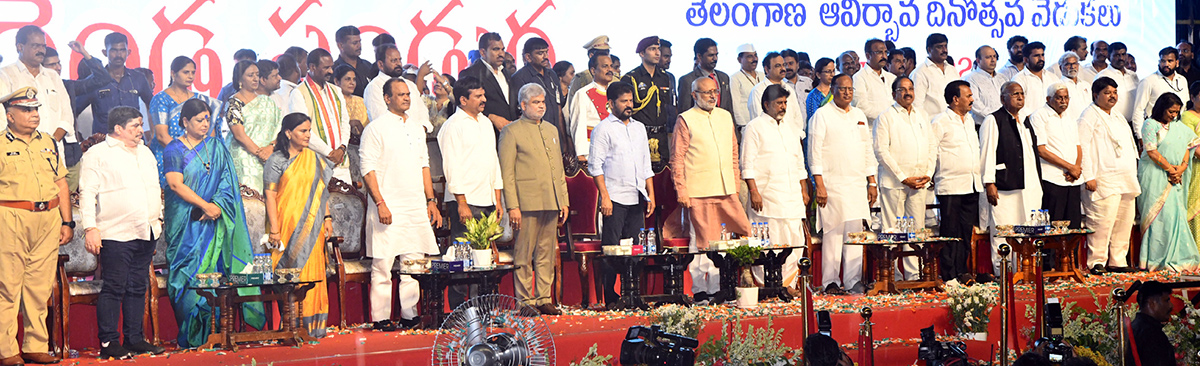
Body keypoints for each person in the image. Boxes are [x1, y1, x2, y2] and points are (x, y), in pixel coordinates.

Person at [162, 98, 264, 348]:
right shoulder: (173, 149)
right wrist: (204, 205)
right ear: (185, 122)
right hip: (185, 225)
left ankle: (217, 333)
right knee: (186, 277)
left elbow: (228, 183)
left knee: (215, 274)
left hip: (214, 224)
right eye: (199, 120)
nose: (205, 124)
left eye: (208, 119)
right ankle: (193, 336)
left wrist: (216, 205)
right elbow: (175, 184)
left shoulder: (217, 147)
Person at [79, 106, 166, 359]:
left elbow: (153, 187)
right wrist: (90, 228)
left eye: (141, 125)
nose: (141, 130)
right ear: (118, 128)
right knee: (115, 287)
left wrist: (158, 217)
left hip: (147, 229)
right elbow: (87, 193)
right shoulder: (98, 154)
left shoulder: (146, 152)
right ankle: (108, 343)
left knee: (138, 287)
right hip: (115, 231)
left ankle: (135, 339)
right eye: (135, 126)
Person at [360, 79, 442, 331]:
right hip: (388, 205)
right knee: (383, 264)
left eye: (408, 94)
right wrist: (380, 203)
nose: (406, 98)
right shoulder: (375, 129)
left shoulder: (417, 128)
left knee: (413, 264)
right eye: (400, 94)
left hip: (415, 204)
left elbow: (424, 166)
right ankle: (381, 318)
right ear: (387, 98)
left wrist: (431, 201)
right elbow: (367, 168)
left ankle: (410, 315)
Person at [0, 87, 72, 365]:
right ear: (10, 115)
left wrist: (67, 221)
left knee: (39, 287)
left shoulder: (48, 142)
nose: (34, 115)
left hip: (48, 217)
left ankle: (35, 345)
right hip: (11, 217)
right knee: (7, 286)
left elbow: (61, 182)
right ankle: (7, 350)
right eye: (27, 110)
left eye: (36, 109)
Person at [673, 77, 752, 303]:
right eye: (705, 92)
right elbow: (677, 158)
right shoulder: (686, 119)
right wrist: (681, 189)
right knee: (700, 238)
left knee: (725, 238)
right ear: (694, 95)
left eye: (714, 91)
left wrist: (735, 185)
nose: (711, 96)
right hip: (698, 189)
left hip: (726, 187)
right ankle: (699, 289)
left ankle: (718, 287)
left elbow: (734, 153)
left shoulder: (725, 116)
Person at [499, 83, 569, 315]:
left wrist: (564, 200)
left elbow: (558, 168)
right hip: (525, 202)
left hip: (551, 199)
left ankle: (543, 298)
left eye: (543, 102)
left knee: (546, 251)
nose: (541, 106)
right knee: (524, 252)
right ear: (523, 105)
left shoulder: (550, 129)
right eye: (536, 103)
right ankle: (525, 301)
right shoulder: (511, 131)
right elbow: (507, 173)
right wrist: (513, 206)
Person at [265, 113, 333, 339]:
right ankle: (289, 326)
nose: (308, 135)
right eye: (303, 131)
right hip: (284, 225)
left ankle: (312, 328)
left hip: (313, 227)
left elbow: (321, 193)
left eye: (309, 131)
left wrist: (327, 218)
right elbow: (270, 195)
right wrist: (274, 229)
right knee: (287, 273)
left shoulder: (314, 159)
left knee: (311, 272)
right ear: (288, 133)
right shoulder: (276, 160)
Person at [587, 81, 655, 309]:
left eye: (630, 101)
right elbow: (594, 166)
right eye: (624, 101)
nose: (629, 105)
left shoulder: (639, 128)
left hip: (637, 195)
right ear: (610, 104)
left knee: (636, 248)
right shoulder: (603, 129)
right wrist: (604, 197)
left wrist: (651, 195)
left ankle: (631, 293)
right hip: (614, 197)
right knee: (611, 249)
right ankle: (610, 296)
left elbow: (646, 165)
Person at [438, 76, 504, 308]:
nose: (484, 99)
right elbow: (451, 167)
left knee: (483, 259)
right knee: (461, 257)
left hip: (486, 198)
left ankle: (481, 306)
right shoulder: (452, 126)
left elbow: (493, 161)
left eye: (483, 95)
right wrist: (462, 203)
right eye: (478, 96)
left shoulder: (485, 123)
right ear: (463, 100)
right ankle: (459, 309)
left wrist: (497, 199)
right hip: (464, 201)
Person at [810, 74, 878, 294]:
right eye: (842, 88)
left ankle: (853, 280)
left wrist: (872, 181)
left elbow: (867, 149)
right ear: (833, 90)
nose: (847, 92)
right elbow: (814, 152)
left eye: (850, 89)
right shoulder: (822, 115)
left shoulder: (859, 115)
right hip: (832, 184)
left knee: (855, 234)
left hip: (856, 184)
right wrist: (819, 184)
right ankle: (830, 281)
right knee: (833, 232)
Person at [742, 84, 809, 288]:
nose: (783, 107)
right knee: (769, 242)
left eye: (785, 103)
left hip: (792, 196)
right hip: (767, 196)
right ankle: (766, 285)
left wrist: (804, 190)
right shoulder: (754, 127)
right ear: (766, 104)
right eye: (779, 103)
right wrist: (754, 191)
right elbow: (747, 163)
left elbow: (799, 162)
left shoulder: (790, 128)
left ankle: (789, 284)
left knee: (795, 241)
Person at [1, 26, 79, 192]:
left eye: (42, 46)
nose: (41, 50)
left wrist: (51, 141)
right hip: (19, 155)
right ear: (19, 47)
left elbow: (67, 115)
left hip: (53, 152)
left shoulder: (53, 77)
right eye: (35, 46)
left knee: (57, 205)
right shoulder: (5, 75)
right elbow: (3, 119)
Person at [873, 76, 935, 281]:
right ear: (893, 94)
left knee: (916, 230)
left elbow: (932, 146)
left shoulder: (922, 115)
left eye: (911, 88)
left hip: (919, 182)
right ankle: (891, 275)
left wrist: (929, 173)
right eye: (902, 89)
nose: (908, 92)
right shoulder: (886, 117)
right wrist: (902, 177)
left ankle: (914, 273)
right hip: (894, 183)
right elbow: (881, 151)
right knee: (892, 230)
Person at [980, 82, 1043, 276]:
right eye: (1014, 94)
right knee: (1004, 230)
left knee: (1028, 230)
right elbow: (987, 152)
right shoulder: (993, 119)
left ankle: (1025, 272)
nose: (1019, 97)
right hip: (1005, 185)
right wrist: (989, 182)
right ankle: (1003, 272)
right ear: (1002, 98)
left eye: (1022, 93)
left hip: (1029, 185)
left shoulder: (1025, 121)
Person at [1080, 77, 1140, 273]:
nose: (1112, 96)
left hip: (1125, 177)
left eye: (1114, 92)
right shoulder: (1088, 116)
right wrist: (1088, 176)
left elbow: (1130, 146)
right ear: (1095, 95)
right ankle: (1096, 262)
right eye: (1107, 93)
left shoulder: (1119, 116)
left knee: (1124, 220)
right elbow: (1082, 148)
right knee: (1102, 221)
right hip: (1102, 177)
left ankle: (1118, 261)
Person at [1137, 93, 1200, 272]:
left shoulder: (1178, 127)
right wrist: (1171, 170)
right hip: (1154, 175)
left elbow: (1189, 146)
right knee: (1158, 217)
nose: (1174, 116)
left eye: (1177, 112)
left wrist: (1181, 168)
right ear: (1161, 108)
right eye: (1171, 112)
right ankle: (1155, 260)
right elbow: (1152, 152)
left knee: (1175, 215)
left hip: (1174, 176)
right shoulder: (1150, 124)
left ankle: (1178, 258)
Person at [932, 80, 984, 281]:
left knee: (965, 231)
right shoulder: (940, 121)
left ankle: (962, 271)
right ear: (955, 99)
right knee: (950, 232)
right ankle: (949, 274)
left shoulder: (969, 120)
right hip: (950, 185)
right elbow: (932, 150)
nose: (972, 99)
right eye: (968, 96)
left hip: (971, 184)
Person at [148, 56, 221, 186]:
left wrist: (201, 155)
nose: (190, 76)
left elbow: (209, 132)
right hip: (169, 154)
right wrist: (187, 155)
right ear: (173, 73)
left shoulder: (199, 99)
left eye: (193, 72)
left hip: (198, 155)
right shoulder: (161, 99)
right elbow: (161, 136)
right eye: (186, 72)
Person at [71, 32, 153, 139]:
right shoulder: (94, 82)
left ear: (128, 52)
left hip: (134, 142)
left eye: (122, 50)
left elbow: (153, 105)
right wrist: (76, 140)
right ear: (105, 52)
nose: (118, 55)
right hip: (105, 145)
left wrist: (153, 135)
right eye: (114, 50)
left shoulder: (138, 78)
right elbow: (73, 111)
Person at [288, 48, 352, 183]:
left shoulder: (336, 91)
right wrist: (329, 152)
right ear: (312, 67)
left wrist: (341, 148)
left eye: (331, 67)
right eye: (326, 68)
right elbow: (302, 130)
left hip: (341, 162)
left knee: (348, 203)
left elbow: (345, 123)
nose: (331, 71)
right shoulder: (298, 93)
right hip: (316, 163)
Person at [1029, 83, 1084, 231]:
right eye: (1059, 98)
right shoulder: (1039, 116)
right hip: (1052, 179)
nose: (1064, 101)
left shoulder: (1070, 118)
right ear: (1048, 99)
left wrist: (1076, 168)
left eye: (1066, 98)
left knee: (1073, 228)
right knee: (1052, 228)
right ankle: (1050, 255)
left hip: (1072, 180)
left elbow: (1078, 146)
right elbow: (1041, 150)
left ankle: (1069, 255)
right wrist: (1070, 167)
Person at [226, 60, 281, 196]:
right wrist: (260, 154)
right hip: (244, 157)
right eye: (250, 75)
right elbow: (239, 135)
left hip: (269, 156)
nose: (255, 78)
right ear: (240, 79)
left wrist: (270, 148)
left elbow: (279, 129)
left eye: (257, 74)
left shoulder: (267, 101)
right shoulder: (234, 103)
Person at [621, 36, 675, 172]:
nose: (657, 53)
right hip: (640, 134)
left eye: (658, 49)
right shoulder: (631, 78)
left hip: (661, 136)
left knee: (663, 179)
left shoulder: (665, 77)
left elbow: (668, 107)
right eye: (652, 49)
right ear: (642, 53)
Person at [364, 43, 432, 133]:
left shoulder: (410, 85)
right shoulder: (374, 87)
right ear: (380, 64)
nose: (399, 64)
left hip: (417, 139)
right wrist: (407, 132)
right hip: (391, 141)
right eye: (394, 61)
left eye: (400, 60)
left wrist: (421, 129)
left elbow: (423, 114)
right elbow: (381, 120)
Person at [458, 32, 516, 131]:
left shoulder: (506, 72)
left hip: (511, 130)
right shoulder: (471, 73)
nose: (501, 54)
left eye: (503, 49)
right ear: (483, 52)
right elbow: (466, 106)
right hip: (485, 130)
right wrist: (491, 117)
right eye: (496, 49)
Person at [1131, 47, 1190, 136]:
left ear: (1177, 63)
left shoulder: (1182, 80)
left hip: (1177, 131)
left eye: (1170, 61)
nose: (1166, 64)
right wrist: (1140, 135)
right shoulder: (1148, 81)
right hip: (1155, 131)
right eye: (1163, 61)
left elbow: (1184, 107)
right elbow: (1138, 110)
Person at [570, 53, 615, 163]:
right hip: (593, 150)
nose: (610, 70)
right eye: (605, 66)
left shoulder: (615, 93)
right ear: (593, 70)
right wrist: (581, 154)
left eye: (611, 66)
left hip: (614, 151)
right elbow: (578, 125)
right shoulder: (583, 94)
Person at [509, 37, 563, 128]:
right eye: (540, 53)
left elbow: (559, 107)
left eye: (546, 52)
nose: (545, 56)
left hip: (554, 132)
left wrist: (563, 138)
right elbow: (519, 112)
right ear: (528, 57)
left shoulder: (552, 74)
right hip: (533, 132)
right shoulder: (520, 78)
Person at [749, 52, 806, 137]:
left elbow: (797, 117)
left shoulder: (788, 89)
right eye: (778, 66)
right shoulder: (758, 91)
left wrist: (798, 137)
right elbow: (759, 120)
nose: (783, 68)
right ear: (767, 69)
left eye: (783, 65)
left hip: (792, 141)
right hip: (770, 140)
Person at [1125, 281, 1178, 366]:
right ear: (1152, 303)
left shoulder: (1136, 326)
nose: (1171, 306)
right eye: (1166, 301)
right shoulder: (1151, 333)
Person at [677, 38, 732, 114]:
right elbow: (685, 111)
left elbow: (729, 108)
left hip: (722, 124)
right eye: (711, 55)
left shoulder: (724, 77)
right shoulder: (687, 80)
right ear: (699, 56)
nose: (715, 58)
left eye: (716, 55)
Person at [333, 65, 367, 185]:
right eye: (347, 79)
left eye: (354, 79)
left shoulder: (361, 101)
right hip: (341, 152)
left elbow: (367, 130)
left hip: (361, 150)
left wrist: (358, 125)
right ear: (337, 81)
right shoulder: (332, 103)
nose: (352, 83)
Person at [911, 33, 958, 118]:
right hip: (932, 125)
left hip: (954, 123)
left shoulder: (952, 70)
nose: (944, 50)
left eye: (945, 46)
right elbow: (916, 105)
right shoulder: (920, 72)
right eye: (939, 47)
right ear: (929, 49)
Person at [853, 39, 898, 122]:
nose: (884, 56)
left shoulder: (892, 78)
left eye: (886, 52)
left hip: (894, 128)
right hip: (871, 131)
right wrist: (887, 116)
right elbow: (861, 107)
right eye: (879, 52)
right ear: (868, 55)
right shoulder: (859, 77)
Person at [1094, 42, 1139, 123]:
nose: (1121, 58)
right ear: (1108, 57)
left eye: (1123, 54)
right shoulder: (1103, 76)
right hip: (1112, 122)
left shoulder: (1133, 76)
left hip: (1133, 123)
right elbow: (1098, 102)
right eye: (1117, 55)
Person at [964, 46, 1008, 127]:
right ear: (978, 60)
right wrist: (996, 117)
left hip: (1005, 123)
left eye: (994, 56)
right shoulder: (970, 79)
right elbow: (975, 104)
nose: (993, 60)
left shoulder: (1002, 78)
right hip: (983, 125)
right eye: (988, 57)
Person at [566, 35, 610, 111]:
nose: (607, 57)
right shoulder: (581, 78)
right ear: (591, 55)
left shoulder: (613, 77)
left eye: (607, 53)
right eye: (602, 54)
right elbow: (574, 107)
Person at [1011, 42, 1052, 119]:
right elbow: (1017, 105)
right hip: (1030, 123)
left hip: (1052, 123)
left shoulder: (1052, 77)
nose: (1041, 59)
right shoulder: (1019, 79)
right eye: (1036, 56)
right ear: (1026, 59)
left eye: (1042, 55)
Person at [333, 26, 376, 97]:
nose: (359, 46)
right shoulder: (333, 70)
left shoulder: (368, 66)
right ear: (340, 45)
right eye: (355, 43)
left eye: (360, 42)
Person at [730, 44, 763, 128]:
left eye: (755, 55)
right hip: (747, 124)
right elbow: (735, 105)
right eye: (749, 56)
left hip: (765, 123)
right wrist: (742, 126)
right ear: (739, 60)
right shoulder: (735, 78)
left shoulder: (763, 75)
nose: (754, 59)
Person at [1184, 83, 1200, 248]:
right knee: (1196, 205)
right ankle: (1196, 250)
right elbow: (1191, 145)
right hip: (1196, 167)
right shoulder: (1187, 117)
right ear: (1192, 97)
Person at [1058, 52, 1091, 122]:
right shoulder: (1059, 86)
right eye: (1068, 64)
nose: (1072, 67)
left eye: (1075, 63)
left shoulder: (1086, 85)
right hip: (1070, 124)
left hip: (1089, 123)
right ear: (1060, 67)